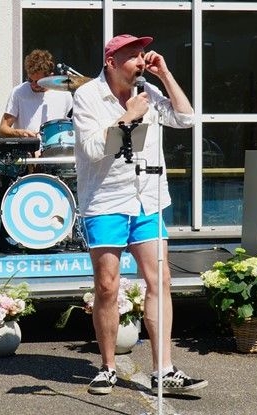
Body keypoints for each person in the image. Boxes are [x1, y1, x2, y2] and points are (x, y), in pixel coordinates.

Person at [72, 34, 207, 395]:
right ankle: (107, 367)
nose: (141, 61)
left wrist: (165, 75)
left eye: (143, 54)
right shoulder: (87, 96)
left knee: (160, 280)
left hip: (147, 198)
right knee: (107, 286)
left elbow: (186, 118)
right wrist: (128, 116)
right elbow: (92, 148)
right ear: (111, 62)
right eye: (133, 56)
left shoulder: (149, 91)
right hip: (105, 201)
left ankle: (164, 369)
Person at [0, 49, 73, 253]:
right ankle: (2, 237)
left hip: (54, 154)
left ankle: (59, 234)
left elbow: (72, 128)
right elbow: (2, 129)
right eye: (30, 80)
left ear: (50, 75)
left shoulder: (65, 95)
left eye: (39, 81)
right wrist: (19, 133)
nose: (33, 85)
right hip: (24, 152)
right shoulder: (19, 92)